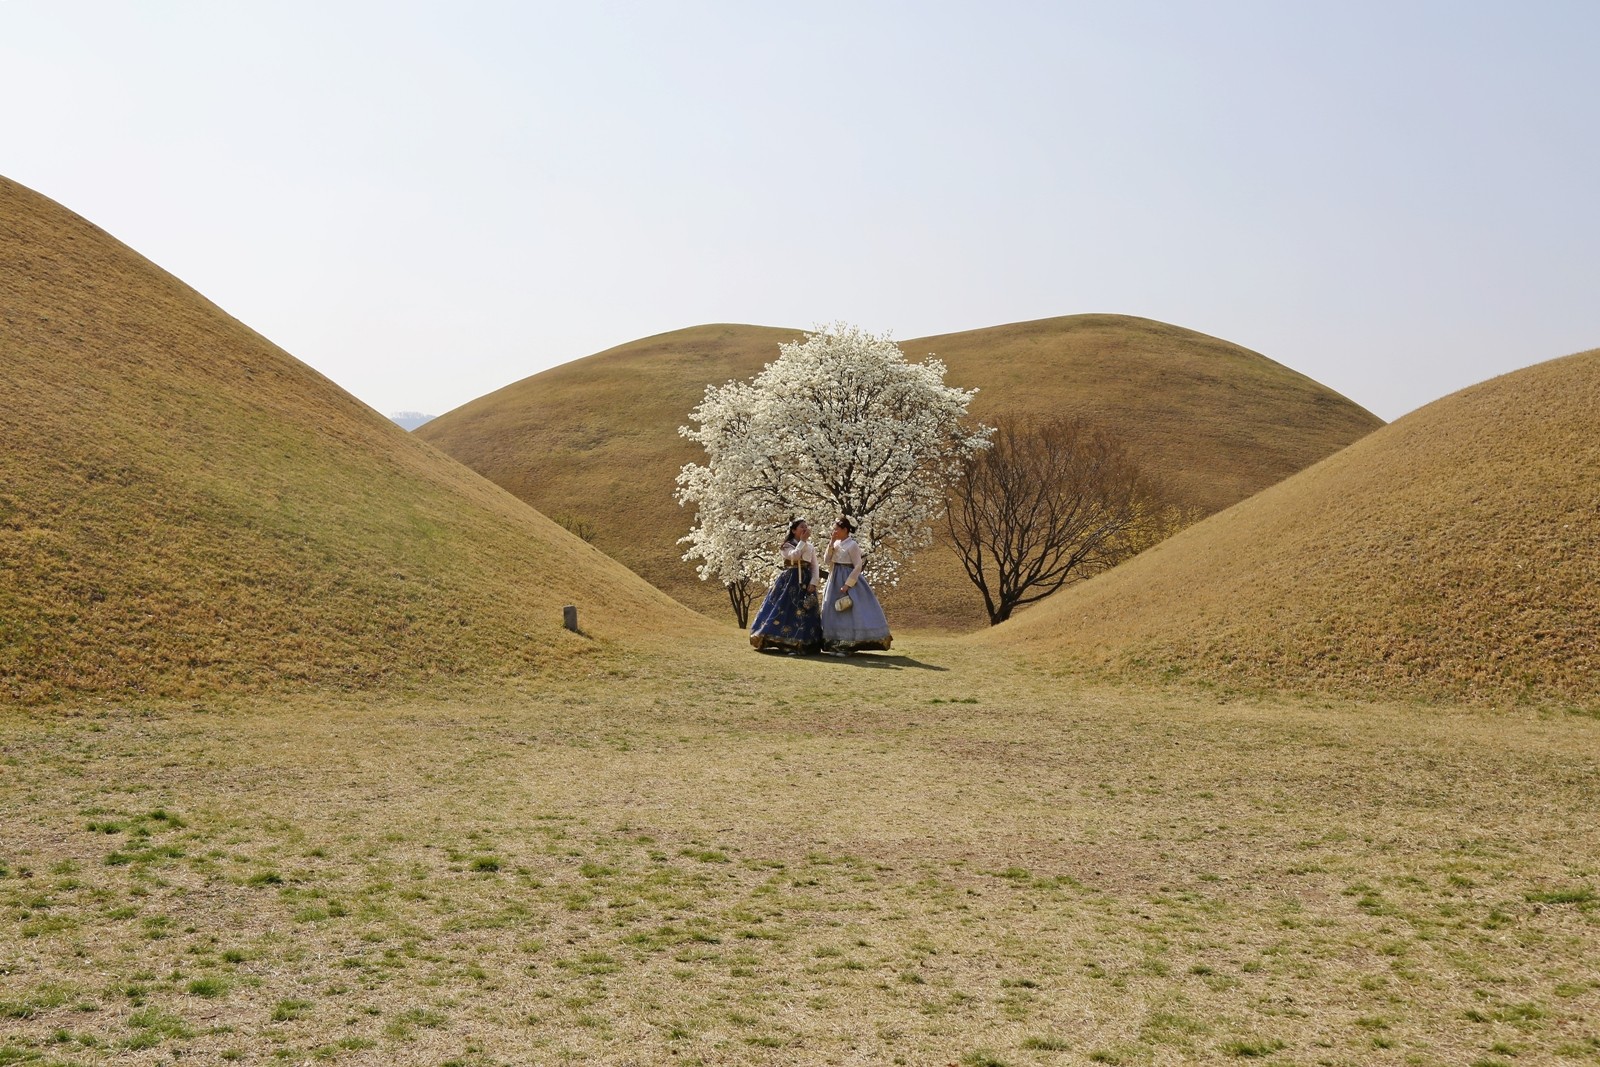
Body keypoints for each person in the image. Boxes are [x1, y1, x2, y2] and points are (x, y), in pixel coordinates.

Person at [748, 519, 823, 653]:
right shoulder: (786, 546)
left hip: (805, 580)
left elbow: (814, 566)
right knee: (786, 608)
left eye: (806, 527)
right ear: (794, 530)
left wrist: (814, 582)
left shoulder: (810, 546)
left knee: (805, 609)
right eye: (801, 527)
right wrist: (802, 542)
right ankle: (784, 640)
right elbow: (794, 556)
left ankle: (804, 643)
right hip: (790, 580)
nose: (805, 529)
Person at [820, 517, 892, 653]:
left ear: (845, 530)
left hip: (847, 579)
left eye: (836, 529)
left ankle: (848, 645)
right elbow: (826, 560)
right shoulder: (835, 544)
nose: (834, 531)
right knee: (832, 609)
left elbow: (858, 566)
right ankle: (834, 643)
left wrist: (848, 584)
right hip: (834, 579)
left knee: (848, 612)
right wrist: (831, 543)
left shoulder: (852, 545)